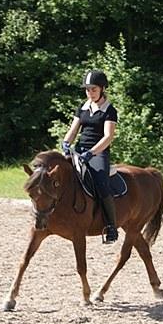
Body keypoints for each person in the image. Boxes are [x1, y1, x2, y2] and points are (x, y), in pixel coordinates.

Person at [61, 70, 119, 244]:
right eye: (87, 90)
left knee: (101, 183)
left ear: (102, 89)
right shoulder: (83, 107)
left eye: (93, 89)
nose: (90, 93)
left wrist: (91, 153)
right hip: (79, 149)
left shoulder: (109, 110)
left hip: (98, 152)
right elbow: (73, 129)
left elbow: (108, 137)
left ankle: (111, 227)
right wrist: (66, 142)